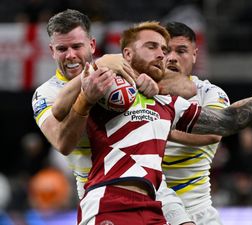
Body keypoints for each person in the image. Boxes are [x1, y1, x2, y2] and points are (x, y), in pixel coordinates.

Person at [62, 21, 252, 224]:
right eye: (153, 47)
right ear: (127, 54)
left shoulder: (170, 103)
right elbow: (60, 109)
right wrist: (94, 76)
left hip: (162, 204)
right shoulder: (107, 84)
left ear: (195, 54)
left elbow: (227, 122)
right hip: (113, 198)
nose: (165, 56)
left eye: (166, 50)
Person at [32, 9, 159, 201]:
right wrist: (90, 86)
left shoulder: (119, 70)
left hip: (146, 187)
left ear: (92, 45)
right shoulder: (45, 94)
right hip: (96, 193)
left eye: (77, 46)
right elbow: (62, 143)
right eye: (62, 49)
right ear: (52, 51)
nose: (70, 55)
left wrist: (152, 89)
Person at [157, 22, 229, 225]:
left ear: (195, 55)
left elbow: (214, 132)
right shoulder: (138, 93)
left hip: (196, 212)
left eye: (181, 51)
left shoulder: (210, 93)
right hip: (149, 209)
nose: (172, 57)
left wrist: (161, 128)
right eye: (165, 50)